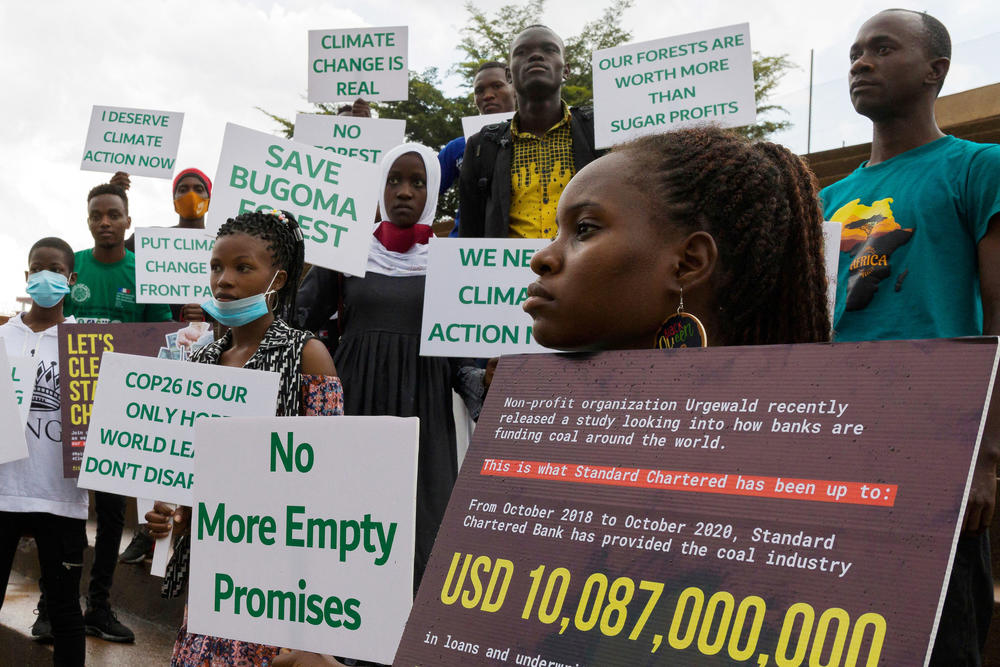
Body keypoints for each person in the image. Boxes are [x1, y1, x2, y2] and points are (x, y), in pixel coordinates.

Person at [275, 127, 831, 667]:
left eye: (583, 230)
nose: (542, 257)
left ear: (687, 263)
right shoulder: (549, 432)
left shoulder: (753, 504)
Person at [820, 10, 1000, 664]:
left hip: (937, 446)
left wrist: (985, 454)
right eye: (854, 53)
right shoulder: (826, 200)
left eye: (882, 48)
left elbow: (997, 317)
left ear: (936, 72)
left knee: (941, 637)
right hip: (839, 443)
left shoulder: (980, 168)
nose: (861, 63)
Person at [146, 209, 343, 665]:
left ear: (280, 278)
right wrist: (170, 512)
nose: (224, 280)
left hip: (277, 575)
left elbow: (331, 479)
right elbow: (186, 468)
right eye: (216, 266)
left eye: (242, 267)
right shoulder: (203, 360)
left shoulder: (307, 355)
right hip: (213, 572)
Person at [297, 143, 481, 589]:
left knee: (420, 523)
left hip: (424, 413)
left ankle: (401, 643)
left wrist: (485, 378)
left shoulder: (451, 262)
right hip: (355, 403)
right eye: (394, 180)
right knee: (348, 517)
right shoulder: (345, 252)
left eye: (417, 182)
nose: (404, 191)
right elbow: (296, 320)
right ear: (378, 187)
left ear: (433, 192)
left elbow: (463, 358)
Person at [55, 182, 174, 644]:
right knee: (62, 512)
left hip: (119, 413)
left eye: (113, 214)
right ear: (88, 221)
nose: (104, 221)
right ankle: (53, 605)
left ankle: (98, 606)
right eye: (96, 215)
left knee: (108, 516)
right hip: (70, 404)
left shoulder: (144, 272)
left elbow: (160, 336)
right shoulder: (73, 267)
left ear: (128, 220)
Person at [117, 168, 212, 565]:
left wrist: (208, 309)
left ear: (210, 195)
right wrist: (117, 191)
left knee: (200, 446)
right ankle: (147, 531)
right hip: (161, 353)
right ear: (173, 198)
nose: (190, 195)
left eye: (198, 189)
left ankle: (189, 534)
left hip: (209, 354)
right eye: (183, 189)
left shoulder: (222, 242)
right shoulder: (150, 241)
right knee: (154, 443)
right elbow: (117, 255)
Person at [0, 238, 86, 666]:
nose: (45, 276)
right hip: (3, 491)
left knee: (67, 613)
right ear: (27, 277)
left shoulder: (88, 347)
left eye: (55, 269)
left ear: (71, 280)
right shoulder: (2, 338)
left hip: (62, 497)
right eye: (38, 268)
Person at [459, 25, 602, 239]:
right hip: (505, 272)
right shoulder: (481, 146)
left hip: (587, 270)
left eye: (549, 50)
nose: (536, 56)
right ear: (509, 74)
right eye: (521, 52)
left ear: (566, 70)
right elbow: (470, 234)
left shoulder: (601, 131)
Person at [438, 61, 516, 237]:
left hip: (520, 251)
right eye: (479, 91)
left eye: (497, 86)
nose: (488, 95)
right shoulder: (458, 147)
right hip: (469, 253)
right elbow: (422, 190)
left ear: (516, 91)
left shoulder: (538, 139)